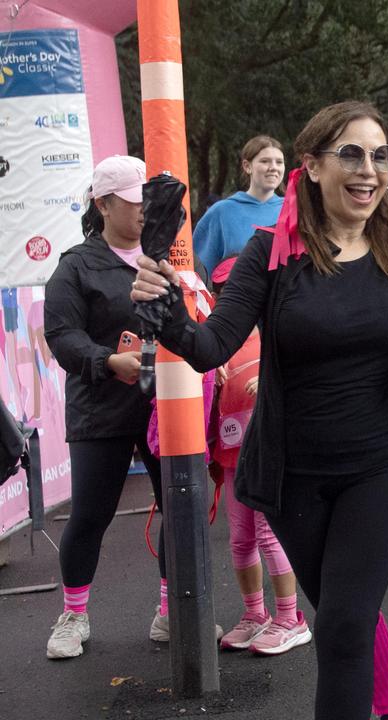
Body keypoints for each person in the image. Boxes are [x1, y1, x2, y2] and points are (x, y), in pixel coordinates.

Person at [131, 101, 388, 720]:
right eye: (351, 153)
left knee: (343, 628)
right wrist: (160, 302)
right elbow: (210, 344)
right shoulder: (270, 252)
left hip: (383, 465)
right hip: (293, 471)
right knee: (348, 614)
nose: (370, 170)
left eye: (379, 155)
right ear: (311, 165)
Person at [42, 155, 181, 659]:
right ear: (103, 204)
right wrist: (109, 361)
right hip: (100, 407)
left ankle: (173, 612)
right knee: (92, 514)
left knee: (180, 508)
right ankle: (73, 615)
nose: (146, 210)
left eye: (149, 200)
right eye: (134, 201)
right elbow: (61, 336)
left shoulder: (166, 254)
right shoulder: (76, 264)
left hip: (164, 407)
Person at [205, 255, 311, 655]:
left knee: (270, 535)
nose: (232, 299)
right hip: (232, 457)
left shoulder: (277, 332)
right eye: (223, 293)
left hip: (268, 453)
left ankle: (290, 617)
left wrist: (269, 382)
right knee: (240, 537)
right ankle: (255, 613)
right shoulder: (219, 338)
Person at [193, 135, 285, 273]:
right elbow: (199, 272)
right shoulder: (221, 212)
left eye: (279, 162)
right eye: (265, 161)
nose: (273, 168)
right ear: (247, 166)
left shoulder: (295, 211)